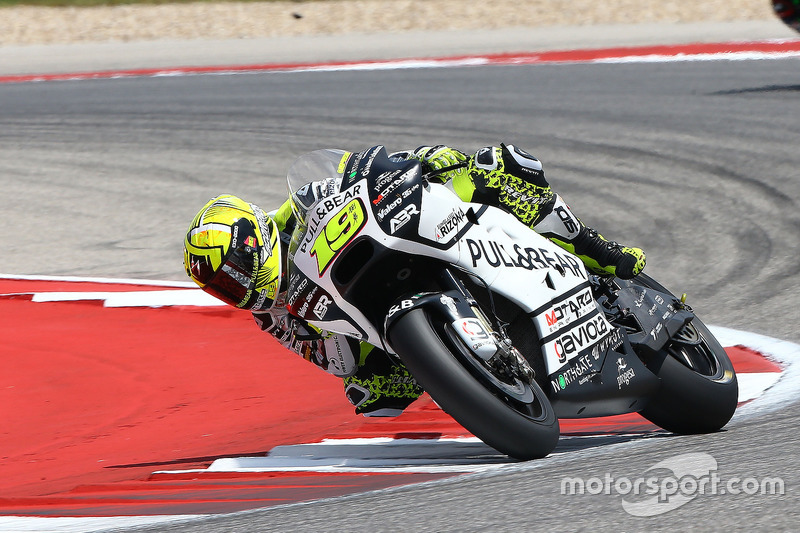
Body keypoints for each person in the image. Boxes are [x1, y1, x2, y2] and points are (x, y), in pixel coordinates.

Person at [183, 144, 646, 417]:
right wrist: (349, 365)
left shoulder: (301, 203)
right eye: (225, 287)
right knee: (370, 398)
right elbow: (332, 360)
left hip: (401, 241)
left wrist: (421, 160)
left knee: (493, 168)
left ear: (252, 239)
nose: (238, 286)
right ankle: (474, 369)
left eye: (235, 271)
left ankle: (595, 249)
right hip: (376, 317)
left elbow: (363, 171)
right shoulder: (272, 317)